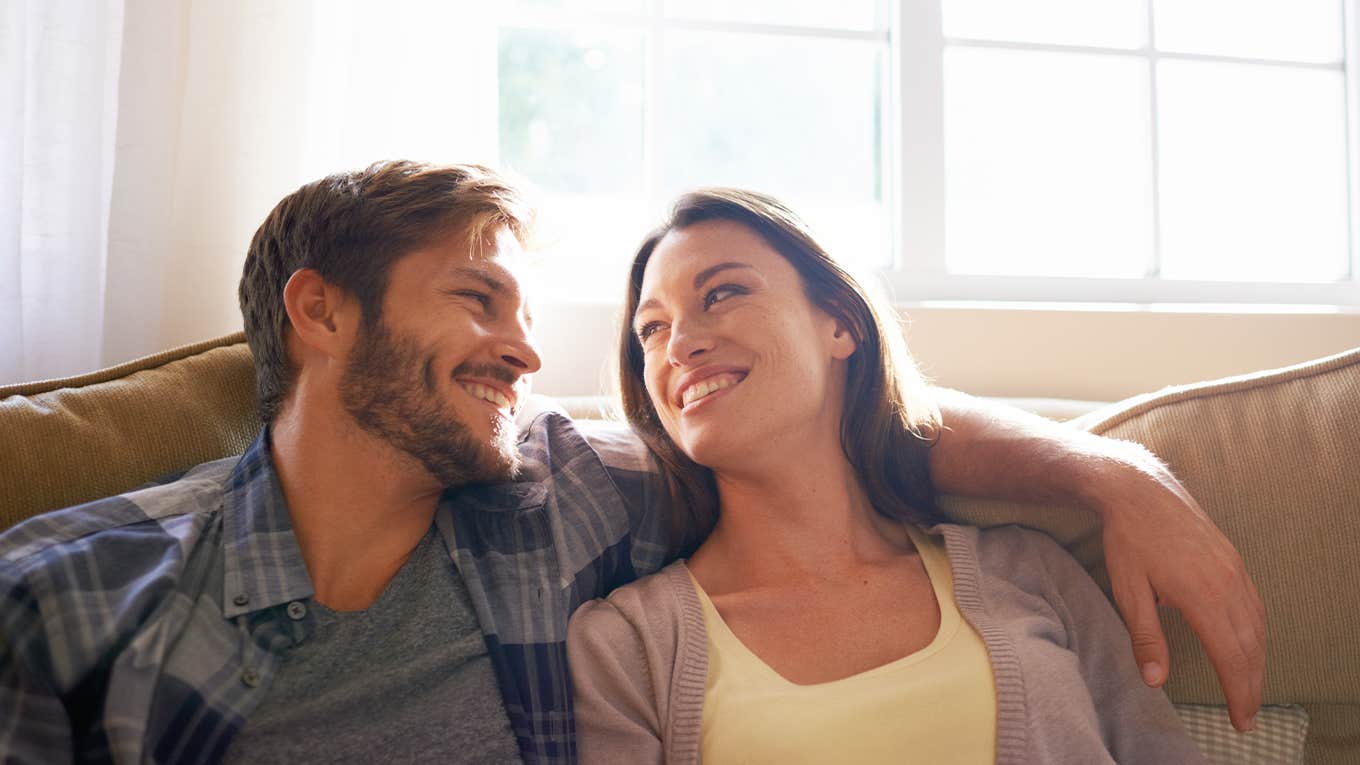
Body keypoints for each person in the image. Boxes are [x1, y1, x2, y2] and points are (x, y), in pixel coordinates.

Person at [0, 162, 1260, 765]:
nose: (525, 348)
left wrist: (1113, 475)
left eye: (530, 313)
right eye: (478, 299)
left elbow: (851, 432)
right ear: (319, 314)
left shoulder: (564, 499)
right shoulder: (62, 595)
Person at [567, 189, 1213, 763]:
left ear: (841, 326)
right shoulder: (626, 648)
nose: (680, 343)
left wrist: (1120, 479)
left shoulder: (1028, 571)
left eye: (722, 293)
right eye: (651, 329)